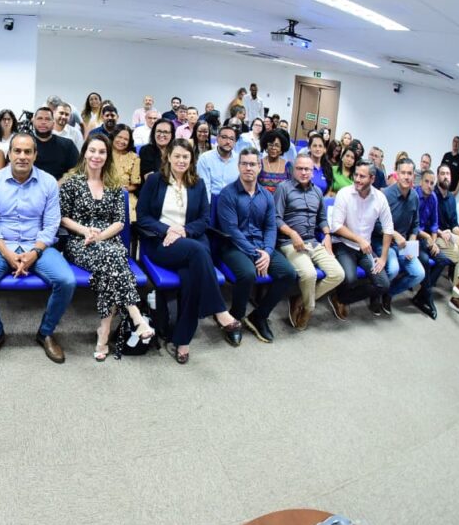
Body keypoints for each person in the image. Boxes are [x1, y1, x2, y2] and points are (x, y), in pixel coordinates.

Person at [0, 133, 76, 364]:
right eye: (17, 151)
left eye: (28, 151)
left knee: (66, 281)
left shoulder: (48, 182)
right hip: (2, 245)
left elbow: (51, 224)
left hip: (37, 245)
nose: (22, 156)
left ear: (35, 155)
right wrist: (7, 253)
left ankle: (46, 333)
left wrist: (35, 252)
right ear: (9, 154)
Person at [137, 139, 243, 358]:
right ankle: (219, 311)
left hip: (191, 240)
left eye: (186, 157)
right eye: (177, 156)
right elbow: (143, 216)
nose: (181, 160)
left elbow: (204, 219)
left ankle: (182, 341)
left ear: (191, 159)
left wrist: (184, 230)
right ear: (168, 157)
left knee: (191, 277)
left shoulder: (198, 184)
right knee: (199, 252)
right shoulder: (155, 180)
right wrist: (168, 229)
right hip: (161, 243)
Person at [60, 134, 153, 360]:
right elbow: (62, 218)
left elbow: (120, 222)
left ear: (107, 156)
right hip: (79, 242)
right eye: (92, 150)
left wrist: (100, 236)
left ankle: (104, 332)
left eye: (102, 152)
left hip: (108, 239)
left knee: (110, 264)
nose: (96, 156)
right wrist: (85, 231)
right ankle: (135, 316)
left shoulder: (113, 184)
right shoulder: (71, 182)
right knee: (114, 260)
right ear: (85, 153)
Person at [217, 147, 297, 343]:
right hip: (233, 246)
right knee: (247, 274)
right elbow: (232, 231)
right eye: (244, 164)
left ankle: (259, 316)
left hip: (262, 247)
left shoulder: (266, 196)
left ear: (259, 167)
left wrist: (267, 252)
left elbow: (271, 227)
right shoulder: (227, 194)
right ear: (238, 166)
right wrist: (256, 254)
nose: (248, 168)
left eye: (252, 164)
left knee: (288, 273)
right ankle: (235, 318)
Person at [275, 153, 344, 330]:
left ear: (313, 171)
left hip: (312, 241)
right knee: (310, 274)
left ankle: (299, 299)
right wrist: (292, 234)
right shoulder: (283, 188)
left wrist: (327, 235)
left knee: (338, 274)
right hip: (290, 242)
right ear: (293, 170)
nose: (304, 172)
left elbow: (322, 219)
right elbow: (276, 218)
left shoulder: (317, 192)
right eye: (300, 168)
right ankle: (309, 308)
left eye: (307, 169)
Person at [328, 160, 393, 319]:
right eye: (356, 175)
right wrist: (359, 240)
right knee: (350, 279)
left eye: (362, 176)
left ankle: (341, 298)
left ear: (372, 179)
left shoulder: (380, 198)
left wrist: (383, 258)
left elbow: (388, 228)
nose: (357, 179)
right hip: (345, 245)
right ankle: (341, 295)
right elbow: (336, 226)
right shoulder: (344, 193)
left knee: (383, 284)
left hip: (366, 250)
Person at [374, 157, 426, 315]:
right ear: (397, 173)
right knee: (394, 268)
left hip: (403, 244)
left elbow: (415, 224)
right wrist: (394, 234)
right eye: (403, 173)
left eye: (409, 173)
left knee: (419, 273)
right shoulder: (385, 194)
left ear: (413, 176)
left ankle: (389, 293)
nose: (406, 177)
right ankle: (375, 295)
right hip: (383, 242)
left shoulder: (414, 196)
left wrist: (411, 243)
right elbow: (375, 224)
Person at [435, 163, 459, 314]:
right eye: (443, 173)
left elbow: (453, 225)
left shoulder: (452, 198)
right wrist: (440, 232)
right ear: (438, 176)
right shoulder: (433, 195)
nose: (446, 177)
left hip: (449, 234)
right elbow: (429, 223)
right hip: (435, 235)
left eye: (448, 174)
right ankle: (456, 297)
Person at [412, 168, 448, 319]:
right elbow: (412, 225)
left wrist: (433, 241)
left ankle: (421, 295)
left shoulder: (433, 197)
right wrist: (428, 237)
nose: (429, 185)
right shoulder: (414, 195)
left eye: (432, 183)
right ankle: (429, 297)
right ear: (421, 182)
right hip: (412, 237)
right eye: (426, 182)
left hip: (426, 238)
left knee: (443, 260)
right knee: (425, 260)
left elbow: (434, 223)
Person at [32, 107, 78, 181]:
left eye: (47, 119)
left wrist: (59, 184)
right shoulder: (24, 144)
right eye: (40, 118)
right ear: (33, 121)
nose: (43, 122)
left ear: (53, 123)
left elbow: (75, 170)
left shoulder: (68, 145)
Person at [196, 124, 239, 200]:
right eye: (224, 137)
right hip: (213, 200)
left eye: (231, 139)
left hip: (233, 200)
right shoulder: (205, 158)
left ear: (235, 142)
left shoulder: (239, 160)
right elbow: (205, 188)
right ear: (217, 138)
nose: (228, 142)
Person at [109, 124, 141, 220]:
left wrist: (122, 190)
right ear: (113, 136)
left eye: (126, 139)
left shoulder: (134, 157)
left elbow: (135, 185)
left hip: (125, 194)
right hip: (103, 192)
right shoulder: (104, 153)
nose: (122, 141)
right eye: (119, 137)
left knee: (128, 212)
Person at [257, 129, 292, 194]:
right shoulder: (259, 164)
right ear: (266, 146)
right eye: (271, 144)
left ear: (281, 148)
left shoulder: (288, 166)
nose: (273, 148)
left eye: (277, 145)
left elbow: (291, 190)